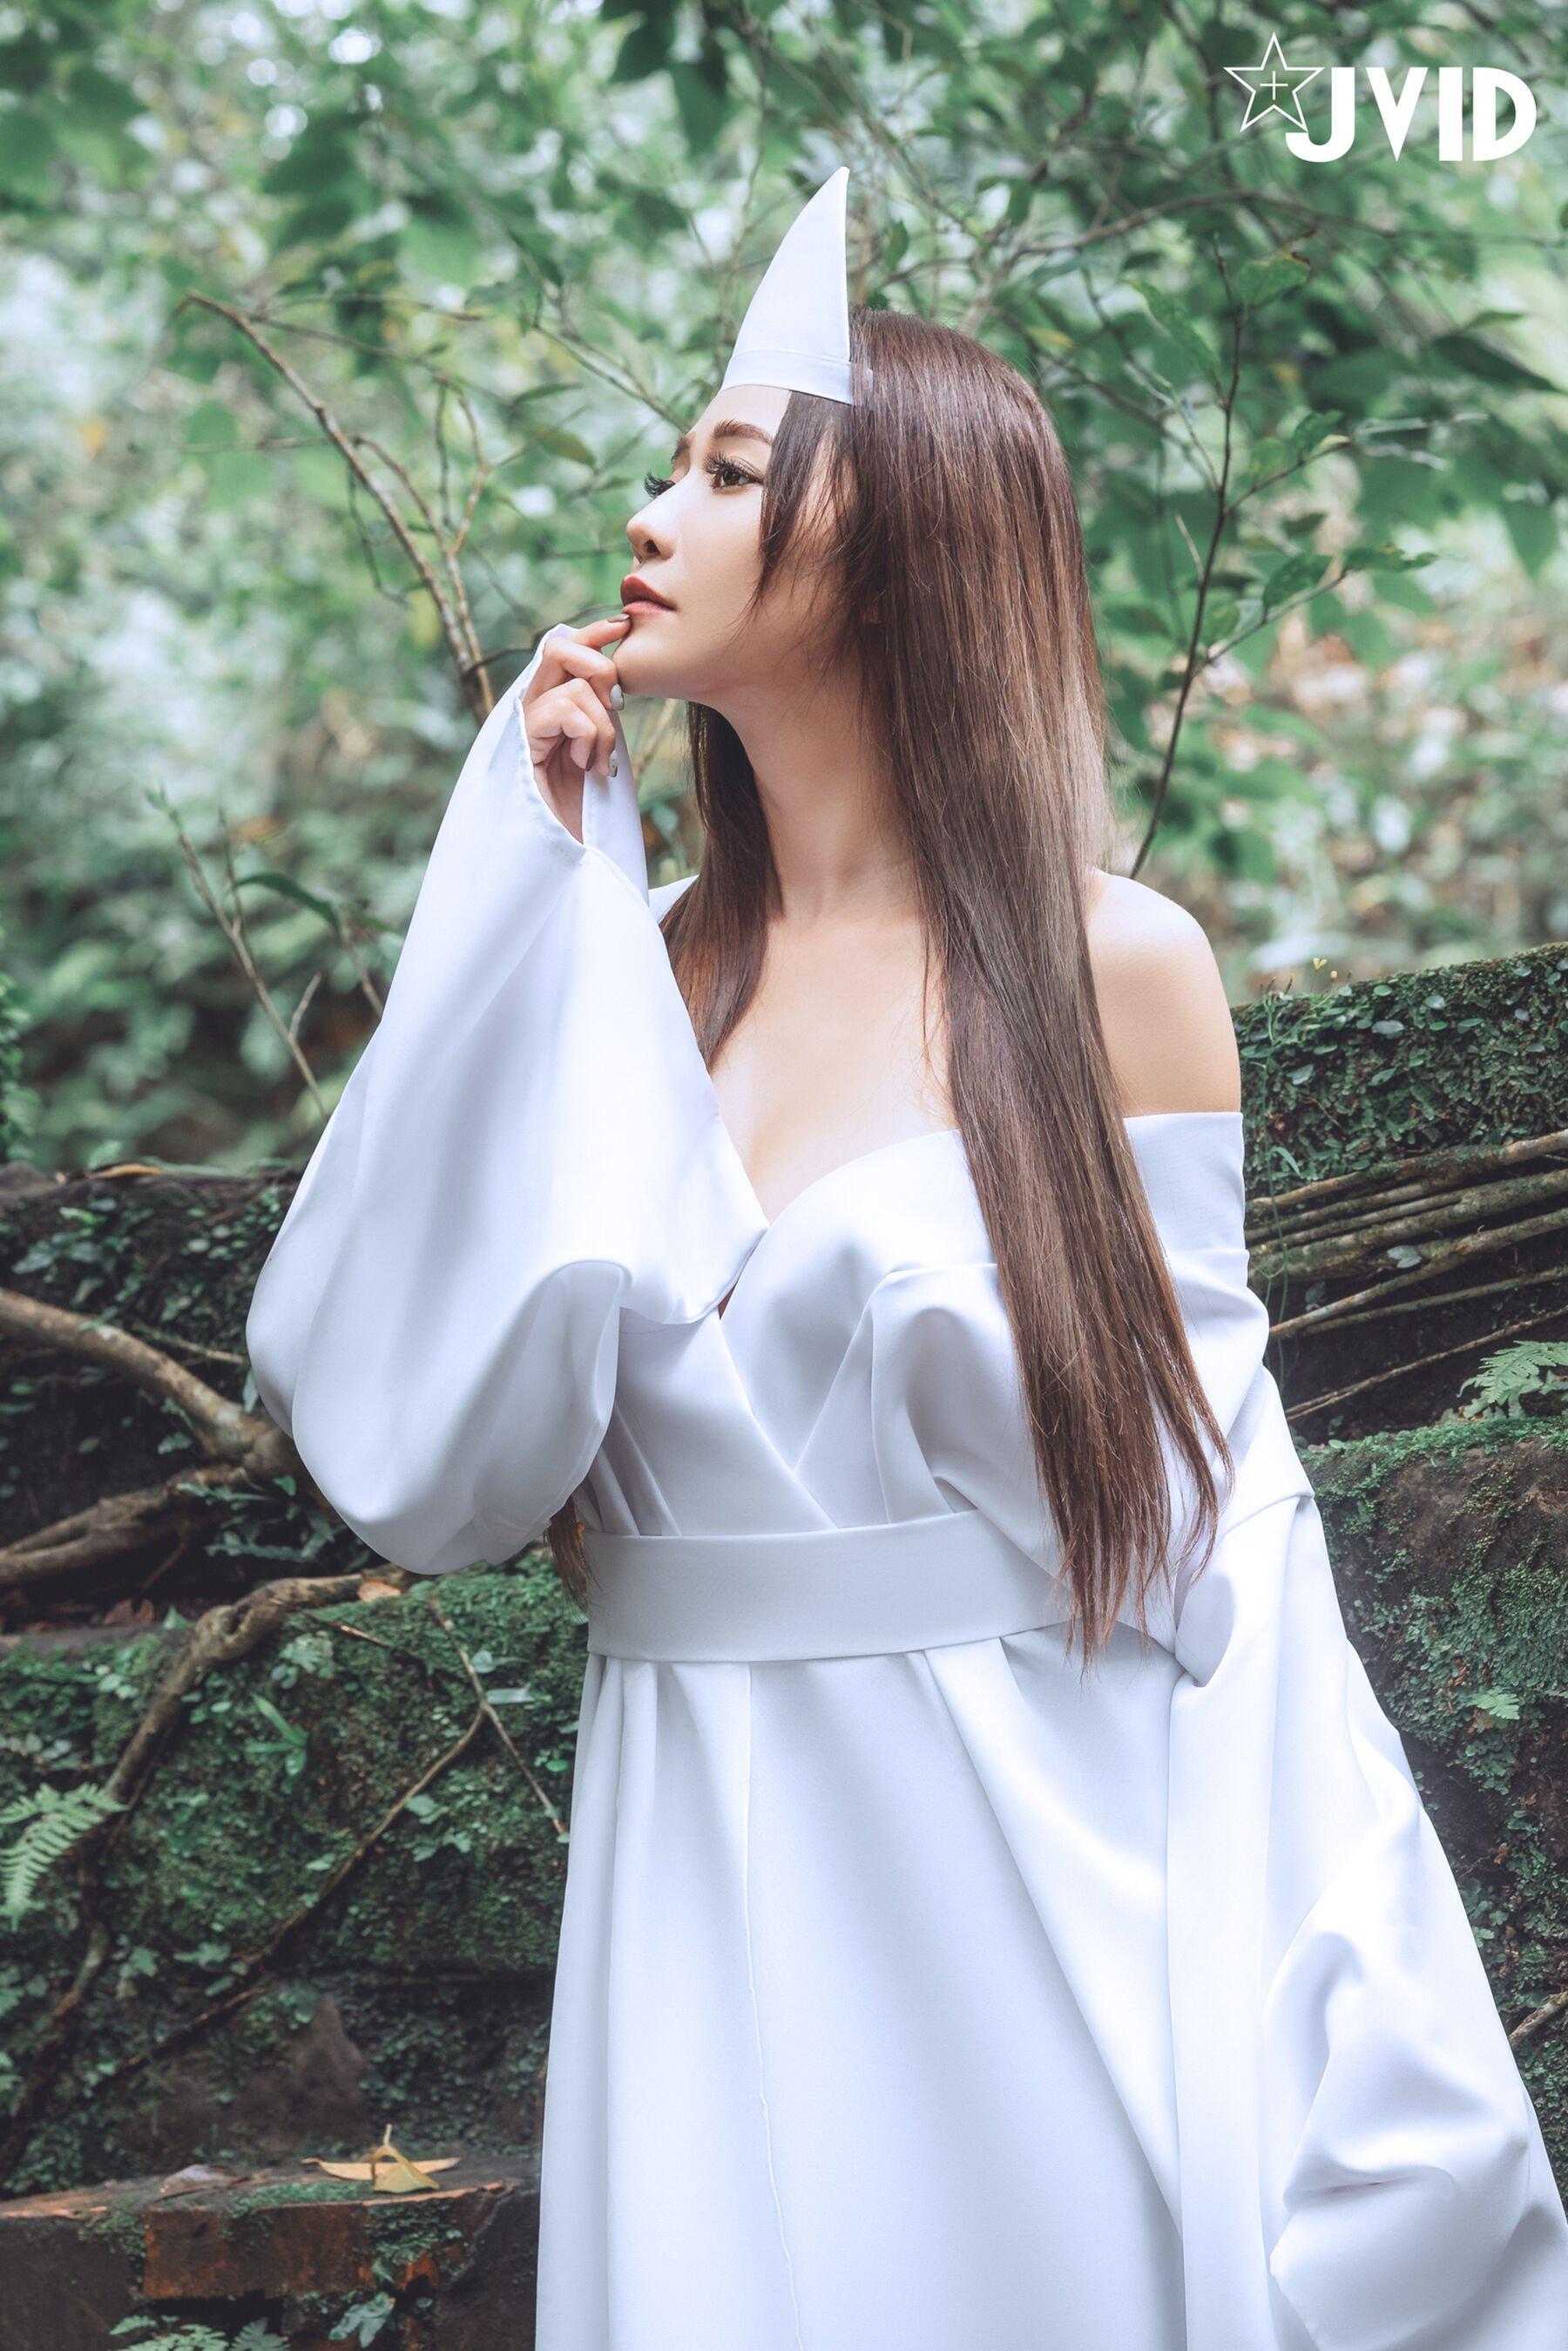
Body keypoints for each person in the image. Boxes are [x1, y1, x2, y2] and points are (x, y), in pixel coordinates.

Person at [245, 170, 1568, 2349]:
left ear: (902, 542)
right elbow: (406, 1425)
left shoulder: (1113, 969)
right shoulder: (628, 975)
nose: (652, 512)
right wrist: (526, 882)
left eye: (727, 471)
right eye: (675, 466)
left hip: (1031, 1874)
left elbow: (1224, 1533)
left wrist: (1355, 2009)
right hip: (693, 1872)